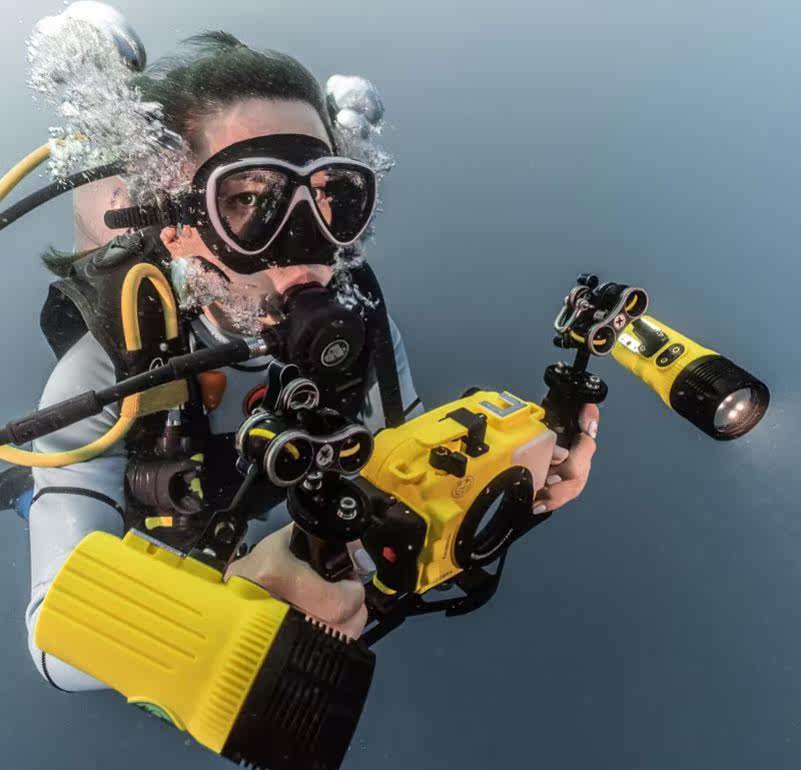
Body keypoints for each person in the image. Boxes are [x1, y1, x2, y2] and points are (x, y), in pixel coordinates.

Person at [25, 32, 600, 693]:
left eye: (328, 198)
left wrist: (522, 481)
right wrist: (230, 602)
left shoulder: (361, 327)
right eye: (248, 200)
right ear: (177, 227)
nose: (304, 245)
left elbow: (405, 475)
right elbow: (51, 636)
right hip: (171, 577)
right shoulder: (107, 375)